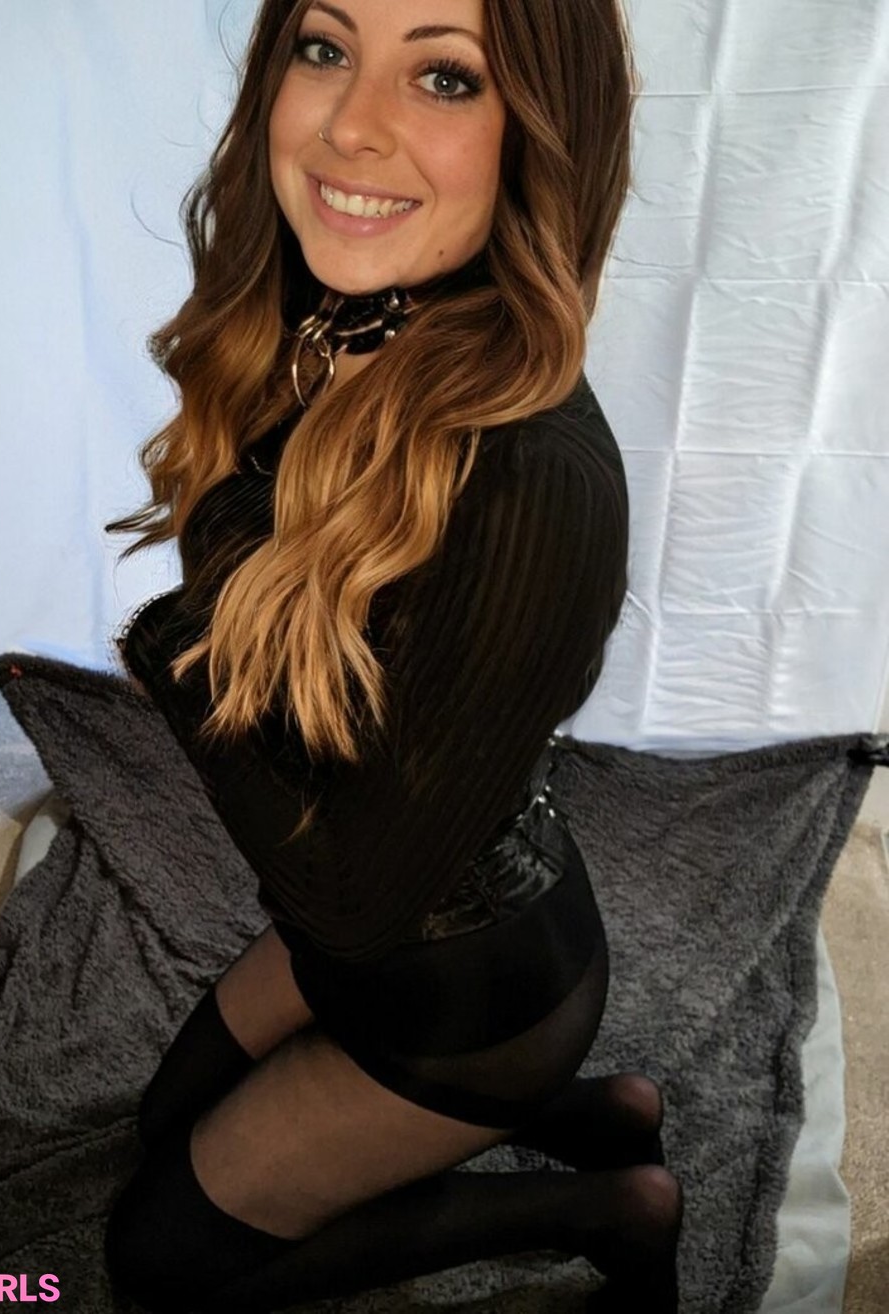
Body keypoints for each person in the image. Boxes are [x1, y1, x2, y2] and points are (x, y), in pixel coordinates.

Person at [104, 0, 683, 1309]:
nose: (351, 126)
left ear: (542, 133)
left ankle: (611, 1202)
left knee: (156, 1258)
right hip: (361, 926)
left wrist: (175, 651)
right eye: (325, 49)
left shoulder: (537, 481)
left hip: (469, 998)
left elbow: (354, 902)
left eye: (444, 76)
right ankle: (607, 1114)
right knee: (162, 1125)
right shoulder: (353, 310)